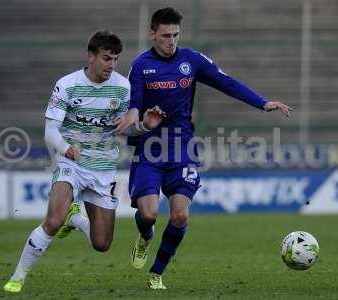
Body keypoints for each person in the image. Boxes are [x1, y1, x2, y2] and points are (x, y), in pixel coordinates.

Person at [115, 7, 292, 290]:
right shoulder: (141, 65)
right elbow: (134, 103)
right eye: (165, 35)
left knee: (180, 215)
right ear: (152, 34)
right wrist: (134, 119)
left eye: (175, 35)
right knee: (148, 214)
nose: (171, 40)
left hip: (182, 148)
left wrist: (262, 102)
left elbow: (226, 82)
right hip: (149, 149)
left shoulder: (191, 60)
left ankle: (156, 273)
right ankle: (145, 236)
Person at [3, 30, 165, 293]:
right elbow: (50, 131)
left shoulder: (122, 86)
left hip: (103, 170)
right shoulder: (67, 85)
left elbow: (125, 129)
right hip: (71, 164)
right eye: (106, 58)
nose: (111, 65)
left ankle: (76, 218)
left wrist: (145, 126)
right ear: (90, 56)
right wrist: (66, 149)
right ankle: (18, 277)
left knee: (102, 244)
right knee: (53, 221)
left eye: (115, 59)